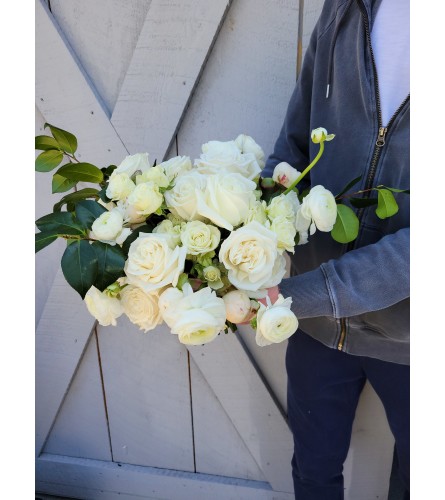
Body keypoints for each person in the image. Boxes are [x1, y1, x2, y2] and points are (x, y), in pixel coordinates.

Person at [261, 0, 410, 498]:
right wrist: (243, 249)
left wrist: (297, 296)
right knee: (312, 471)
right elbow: (294, 145)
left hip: (415, 339)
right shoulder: (346, 7)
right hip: (315, 329)